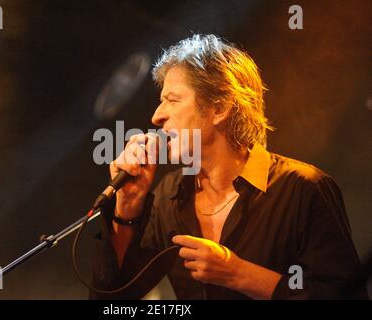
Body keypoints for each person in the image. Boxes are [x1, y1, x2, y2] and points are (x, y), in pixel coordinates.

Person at [89, 34, 367, 299]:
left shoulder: (303, 189)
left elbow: (345, 296)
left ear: (219, 108)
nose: (157, 116)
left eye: (172, 100)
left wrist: (239, 274)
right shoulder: (170, 195)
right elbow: (114, 300)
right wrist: (128, 204)